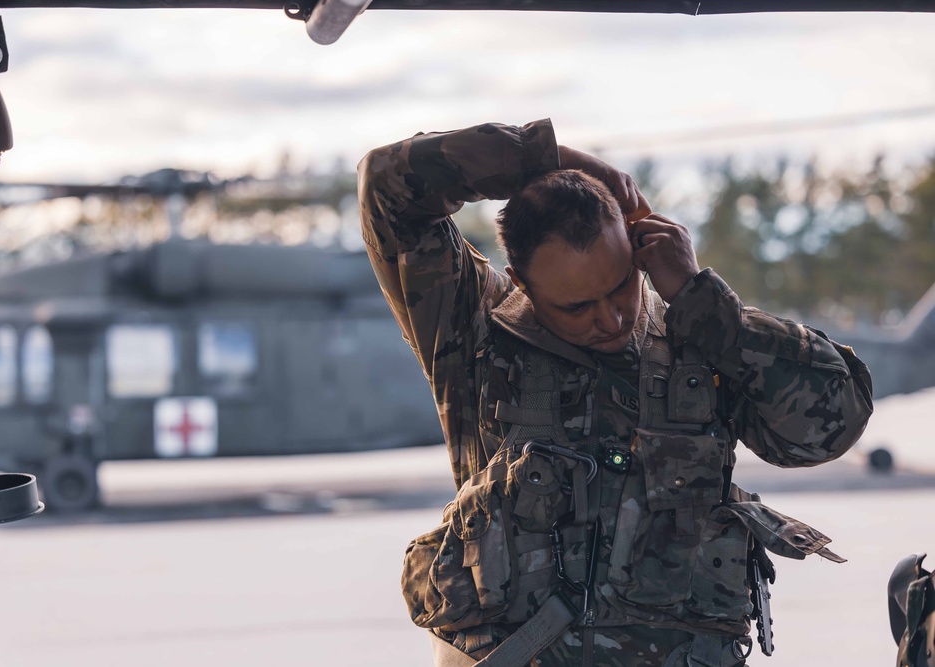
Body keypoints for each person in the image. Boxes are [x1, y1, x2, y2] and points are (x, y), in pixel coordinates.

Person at [358, 119, 873, 667]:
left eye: (621, 285)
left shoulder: (699, 340)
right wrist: (549, 160)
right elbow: (387, 185)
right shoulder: (474, 328)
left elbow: (831, 426)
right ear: (523, 282)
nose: (609, 318)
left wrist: (705, 303)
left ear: (639, 248)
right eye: (576, 306)